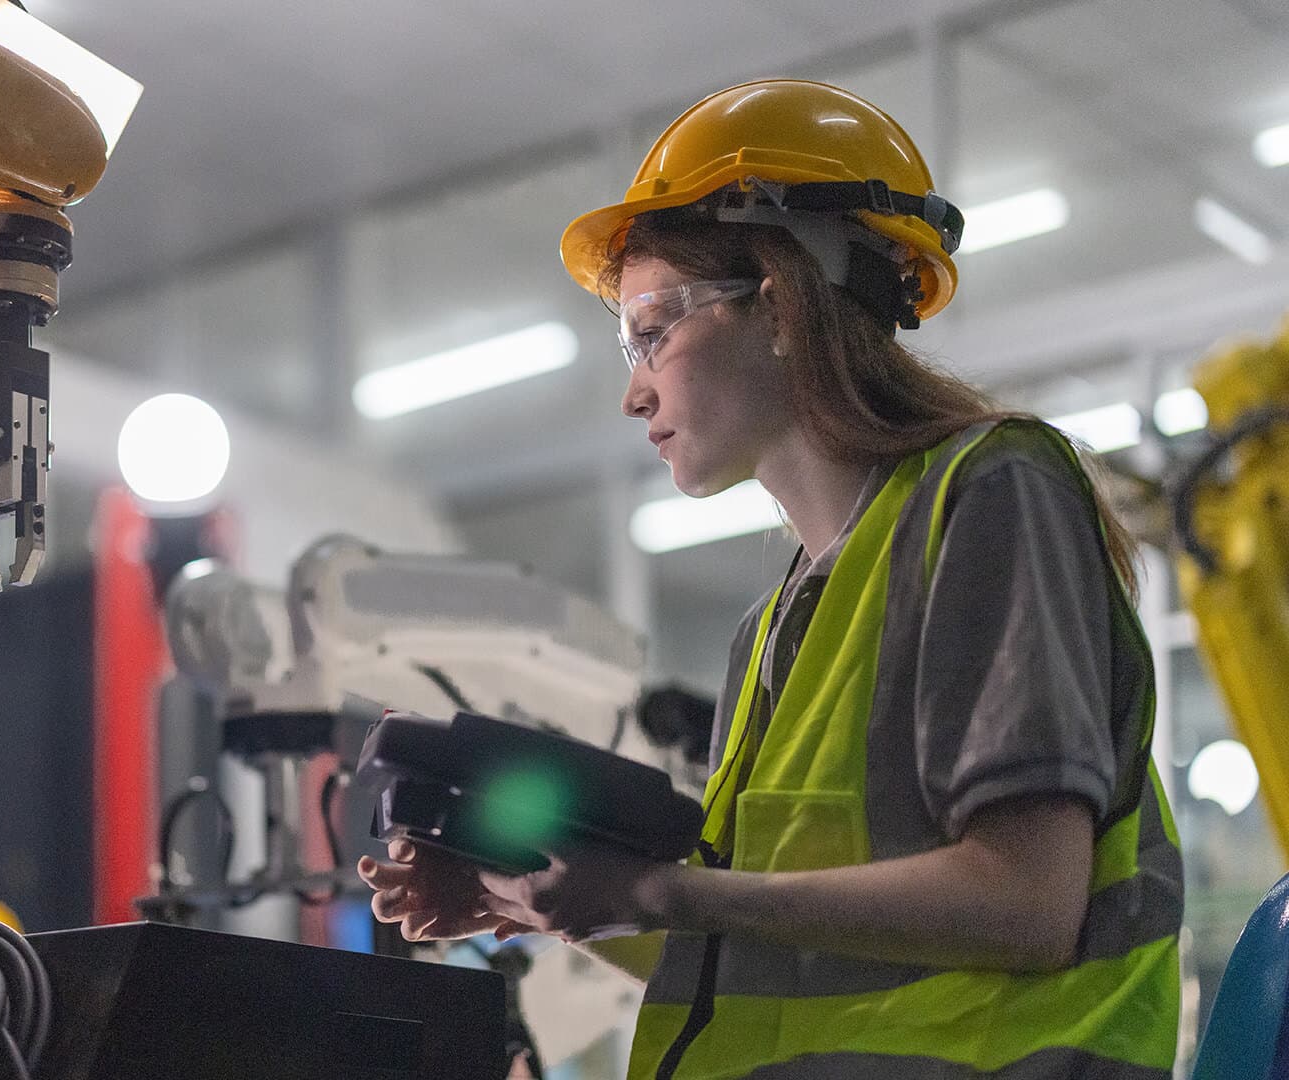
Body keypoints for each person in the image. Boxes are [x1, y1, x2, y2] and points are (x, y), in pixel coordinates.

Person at [357, 79, 1182, 1079]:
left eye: (653, 327)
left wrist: (666, 892)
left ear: (782, 302)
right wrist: (541, 901)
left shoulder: (993, 486)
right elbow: (775, 962)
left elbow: (1028, 904)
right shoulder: (775, 627)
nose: (634, 390)